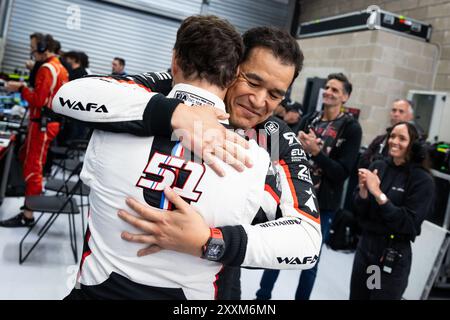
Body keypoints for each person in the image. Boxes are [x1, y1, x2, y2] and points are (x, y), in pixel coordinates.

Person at [55, 16, 320, 300]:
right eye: (252, 82)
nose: (258, 100)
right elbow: (70, 94)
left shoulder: (274, 136)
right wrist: (175, 114)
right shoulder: (167, 86)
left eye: (275, 95)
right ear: (232, 69)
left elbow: (307, 241)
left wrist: (210, 241)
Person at [256, 73, 362, 300]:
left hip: (323, 205)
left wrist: (317, 153)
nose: (328, 92)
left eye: (335, 89)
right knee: (278, 250)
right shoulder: (309, 119)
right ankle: (262, 298)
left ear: (345, 96)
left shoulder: (351, 129)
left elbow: (342, 173)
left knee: (310, 259)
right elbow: (287, 154)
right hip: (293, 196)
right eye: (327, 88)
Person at [350, 121, 434, 299]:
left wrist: (378, 193)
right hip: (367, 248)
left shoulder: (422, 180)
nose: (394, 141)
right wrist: (364, 192)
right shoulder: (379, 166)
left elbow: (409, 223)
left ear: (414, 146)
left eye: (402, 138)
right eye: (393, 136)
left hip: (391, 254)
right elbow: (360, 211)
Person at [0, 33, 68, 228]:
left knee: (33, 167)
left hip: (41, 124)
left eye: (32, 47)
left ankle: (27, 216)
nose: (31, 51)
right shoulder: (59, 67)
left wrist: (20, 88)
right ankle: (29, 204)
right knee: (31, 161)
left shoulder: (47, 68)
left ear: (42, 48)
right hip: (47, 123)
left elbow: (38, 100)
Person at [359, 99, 415, 169]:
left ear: (410, 116)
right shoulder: (380, 140)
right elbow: (363, 161)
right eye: (394, 110)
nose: (396, 114)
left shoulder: (414, 143)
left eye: (401, 111)